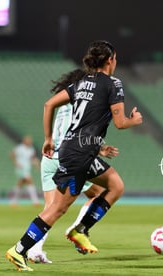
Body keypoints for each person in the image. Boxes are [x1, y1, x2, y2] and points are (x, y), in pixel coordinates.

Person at [5, 40, 143, 272]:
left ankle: (81, 230)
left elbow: (49, 104)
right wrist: (134, 121)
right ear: (110, 60)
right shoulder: (113, 84)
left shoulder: (80, 83)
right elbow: (120, 123)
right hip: (79, 154)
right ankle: (19, 250)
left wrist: (48, 138)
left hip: (75, 150)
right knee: (57, 209)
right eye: (115, 58)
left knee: (115, 185)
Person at [27, 73, 119, 263]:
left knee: (50, 209)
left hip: (49, 158)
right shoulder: (81, 105)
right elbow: (76, 131)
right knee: (100, 192)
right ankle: (79, 228)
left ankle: (34, 250)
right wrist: (97, 148)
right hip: (69, 158)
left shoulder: (62, 103)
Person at [10, 136, 40, 206]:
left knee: (20, 184)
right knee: (29, 181)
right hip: (21, 168)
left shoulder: (31, 149)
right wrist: (16, 163)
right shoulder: (20, 148)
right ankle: (35, 201)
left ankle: (14, 201)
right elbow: (12, 154)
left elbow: (32, 158)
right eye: (28, 140)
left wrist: (36, 165)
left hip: (27, 168)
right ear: (24, 141)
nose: (30, 142)